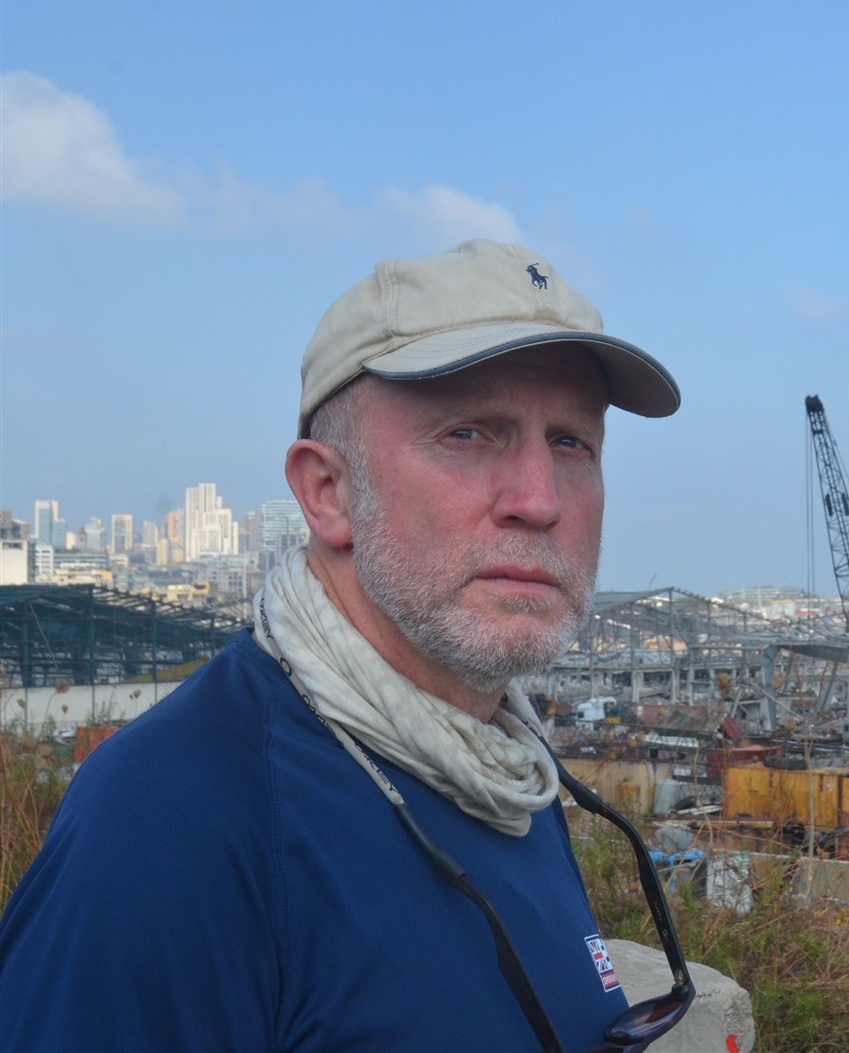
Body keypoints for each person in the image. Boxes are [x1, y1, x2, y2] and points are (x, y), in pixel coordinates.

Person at [0, 240, 689, 1051]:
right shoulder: (174, 819)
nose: (539, 500)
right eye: (469, 433)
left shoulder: (507, 773)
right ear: (328, 493)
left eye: (572, 442)